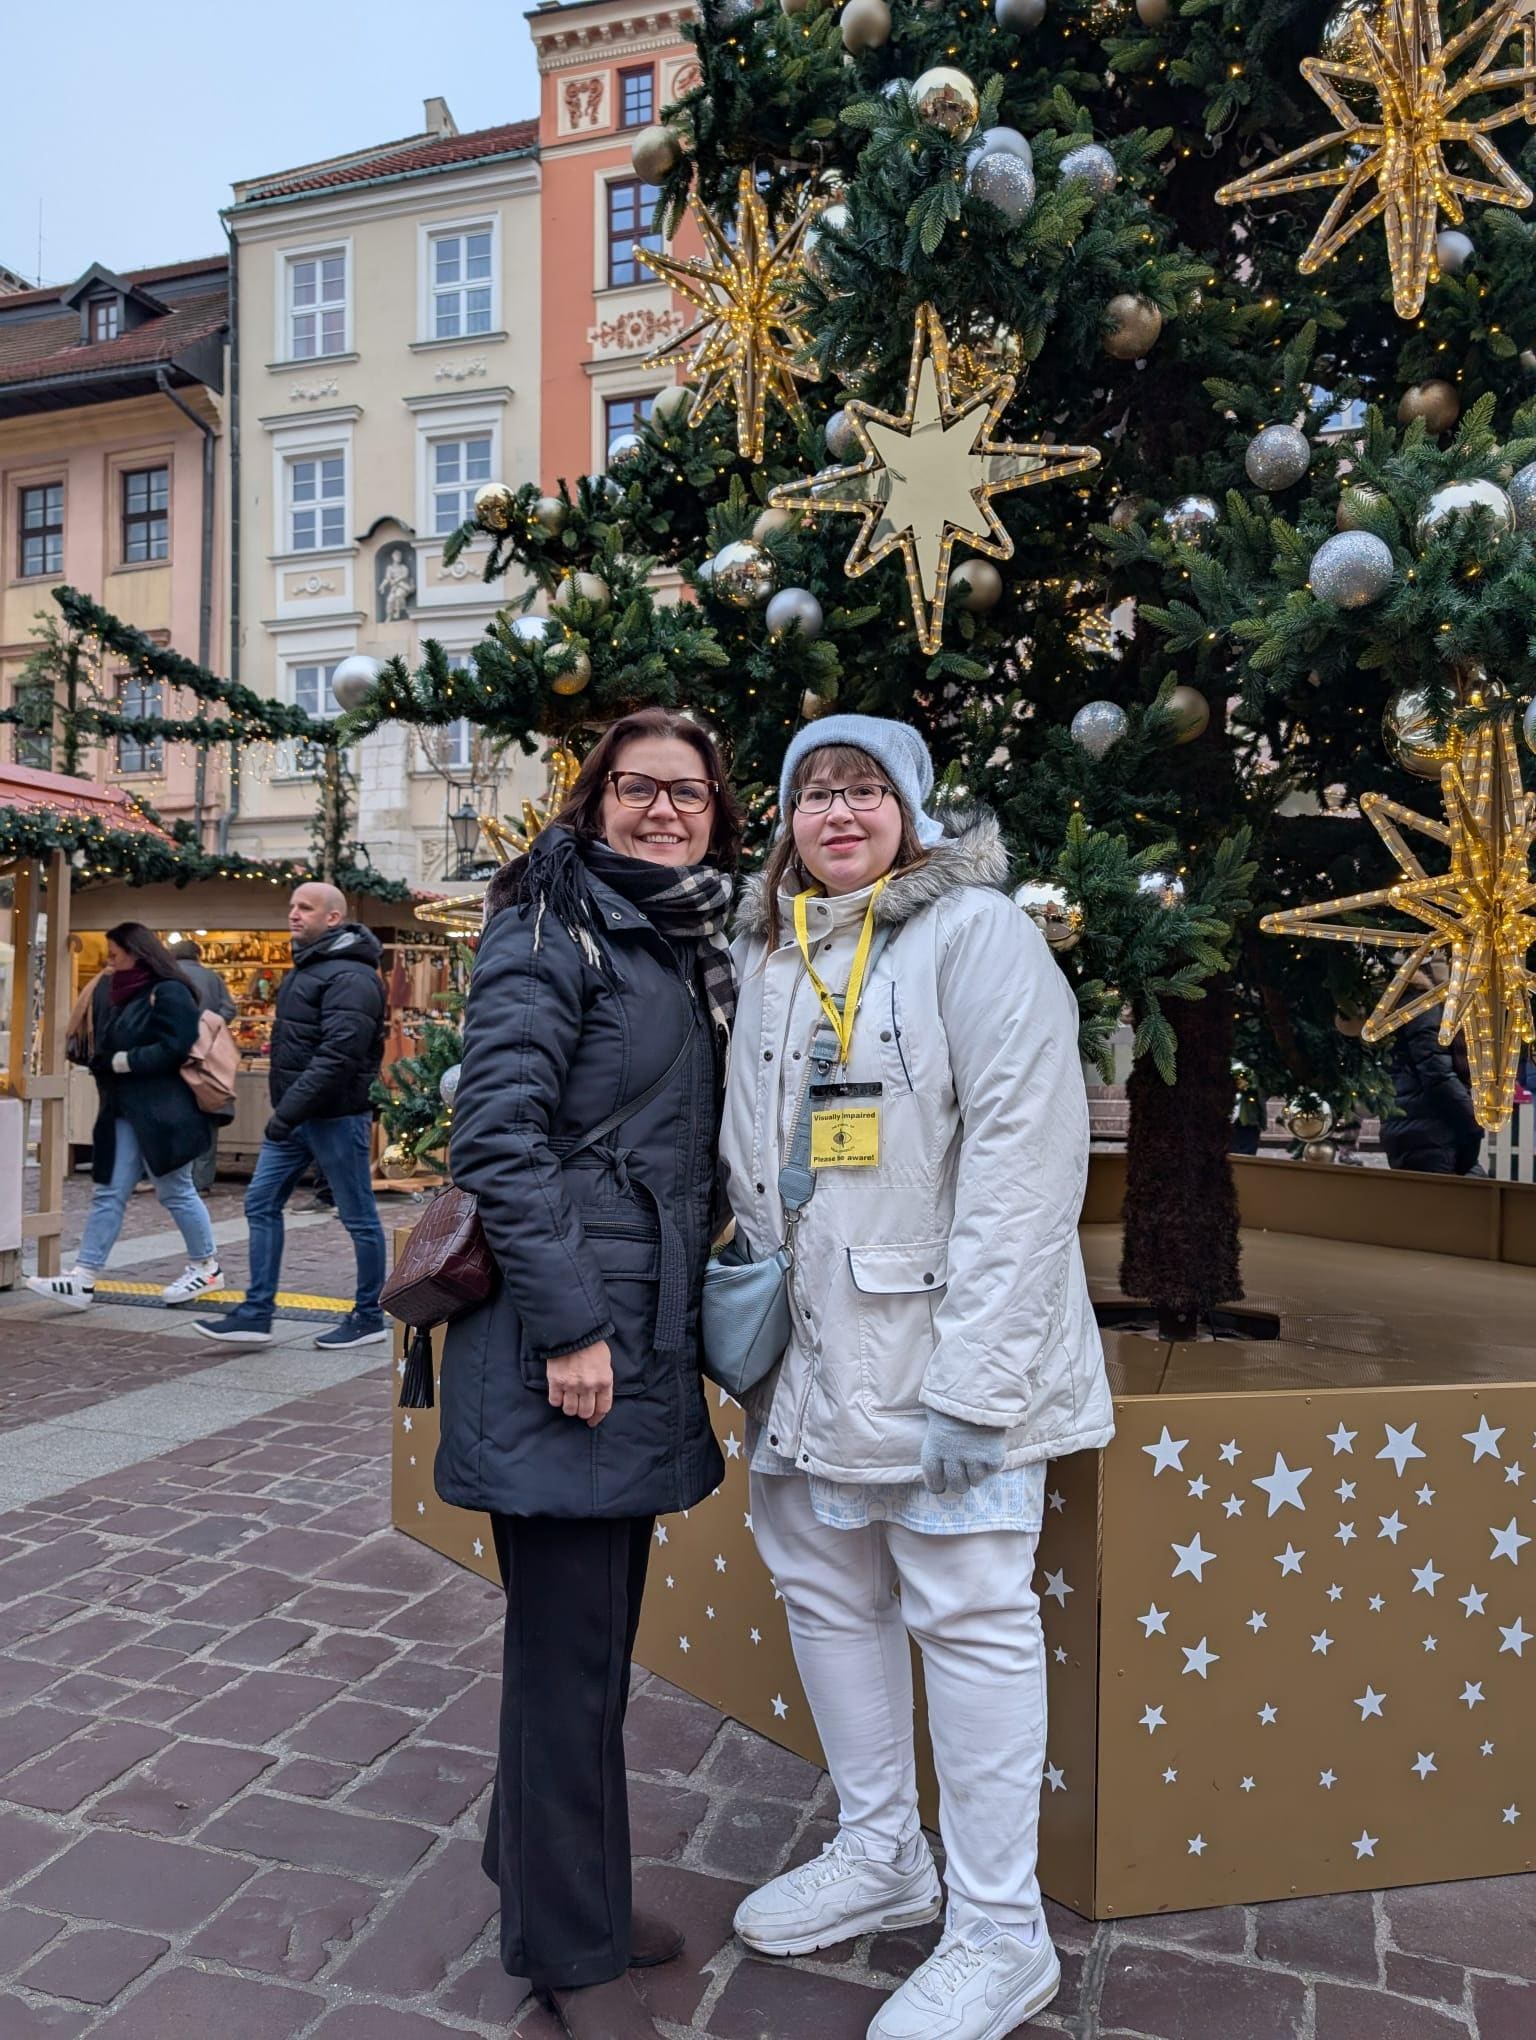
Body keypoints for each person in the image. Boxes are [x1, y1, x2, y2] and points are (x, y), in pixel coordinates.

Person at [719, 715, 1114, 2040]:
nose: (840, 812)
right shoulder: (771, 949)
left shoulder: (977, 935)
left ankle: (1002, 1934)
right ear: (787, 819)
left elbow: (1026, 1160)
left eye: (865, 790)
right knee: (829, 1593)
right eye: (815, 792)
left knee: (970, 1609)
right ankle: (884, 1850)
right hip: (814, 1360)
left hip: (948, 1359)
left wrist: (979, 1385)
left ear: (912, 811)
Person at [437, 709, 739, 2040]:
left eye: (687, 792)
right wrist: (568, 1328)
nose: (663, 810)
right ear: (594, 799)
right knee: (568, 1656)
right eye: (638, 788)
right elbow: (496, 1140)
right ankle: (569, 1945)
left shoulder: (678, 937)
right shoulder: (548, 928)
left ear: (717, 811)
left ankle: (558, 1874)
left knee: (596, 1641)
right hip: (567, 1348)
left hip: (637, 1331)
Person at [195, 882, 388, 1349]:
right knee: (260, 1203)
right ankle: (257, 1313)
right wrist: (290, 1111)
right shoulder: (308, 967)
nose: (294, 914)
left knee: (358, 1216)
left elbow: (339, 1053)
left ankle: (369, 1317)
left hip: (336, 1116)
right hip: (297, 1115)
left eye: (306, 907)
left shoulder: (351, 976)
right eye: (292, 907)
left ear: (334, 918)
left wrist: (289, 1110)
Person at [29, 923, 221, 1310]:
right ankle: (84, 1277)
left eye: (115, 955)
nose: (110, 963)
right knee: (110, 1192)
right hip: (124, 1110)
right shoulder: (120, 991)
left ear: (137, 952)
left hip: (162, 1111)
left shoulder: (168, 991)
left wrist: (124, 1061)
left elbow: (177, 1045)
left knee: (175, 1190)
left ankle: (206, 1266)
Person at [1381, 967, 1483, 1175]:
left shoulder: (1393, 1006)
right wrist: (1472, 1124)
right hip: (1432, 1130)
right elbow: (1436, 1073)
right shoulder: (1420, 1004)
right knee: (1456, 1201)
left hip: (1410, 1128)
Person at [171, 937, 236, 1194]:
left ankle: (178, 1177)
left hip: (174, 1057)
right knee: (207, 1114)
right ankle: (202, 1180)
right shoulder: (213, 978)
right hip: (207, 1056)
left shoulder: (167, 978)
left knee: (176, 1115)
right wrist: (210, 1028)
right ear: (198, 955)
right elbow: (228, 1010)